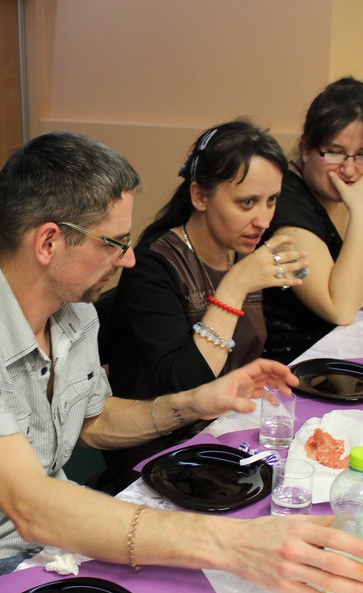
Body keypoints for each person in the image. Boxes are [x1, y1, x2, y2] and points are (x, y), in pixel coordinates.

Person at [0, 131, 363, 593]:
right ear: (48, 241)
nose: (129, 258)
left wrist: (193, 402)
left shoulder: (73, 312)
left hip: (45, 534)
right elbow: (32, 505)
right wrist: (235, 545)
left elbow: (93, 420)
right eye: (115, 242)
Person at [106, 119, 303, 483]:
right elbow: (186, 382)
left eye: (272, 200)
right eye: (247, 202)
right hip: (162, 451)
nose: (263, 220)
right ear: (199, 196)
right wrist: (235, 285)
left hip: (228, 429)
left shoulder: (241, 250)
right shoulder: (152, 265)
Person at [262, 77, 363, 364]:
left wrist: (359, 297)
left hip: (345, 349)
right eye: (335, 152)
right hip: (290, 366)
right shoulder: (286, 208)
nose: (349, 170)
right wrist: (362, 215)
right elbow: (340, 309)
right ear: (306, 148)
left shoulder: (356, 192)